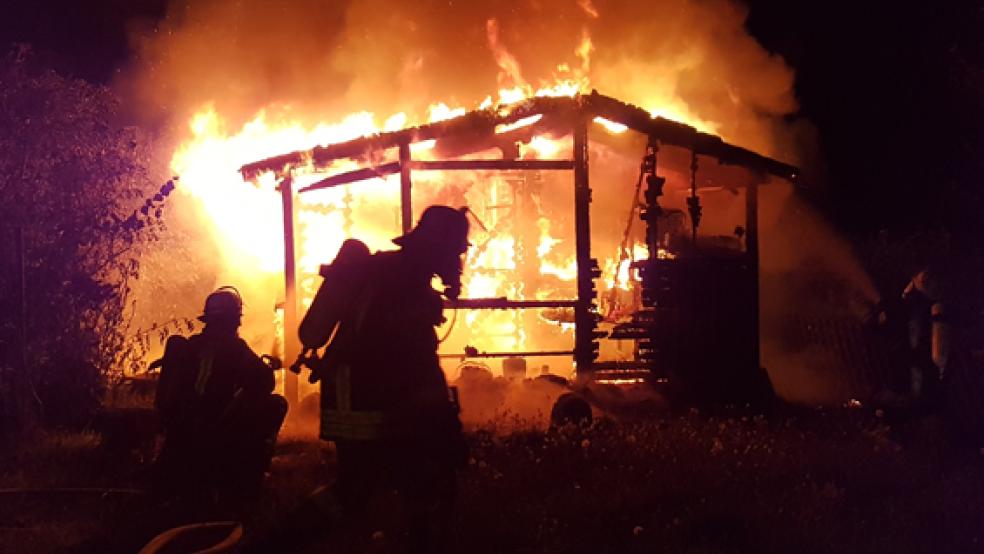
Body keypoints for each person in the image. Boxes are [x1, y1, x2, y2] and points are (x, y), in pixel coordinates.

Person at [265, 206, 470, 553]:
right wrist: (442, 419)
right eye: (455, 251)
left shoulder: (392, 271)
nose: (458, 259)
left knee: (390, 481)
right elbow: (416, 359)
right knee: (364, 486)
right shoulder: (408, 285)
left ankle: (279, 541)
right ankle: (274, 544)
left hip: (360, 388)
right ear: (438, 246)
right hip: (363, 394)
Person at [154, 286, 288, 509]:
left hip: (179, 434)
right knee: (276, 404)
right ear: (235, 320)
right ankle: (248, 480)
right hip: (215, 435)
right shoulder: (237, 349)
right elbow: (265, 383)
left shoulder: (190, 346)